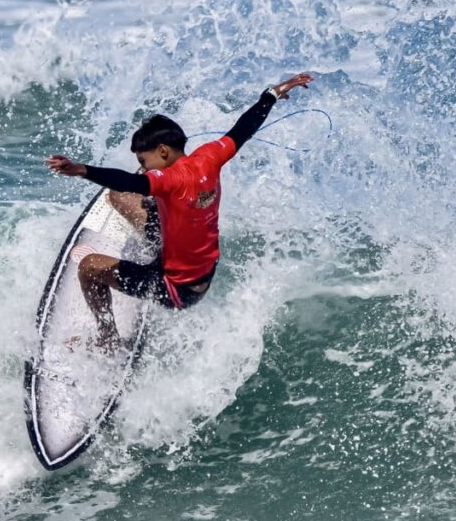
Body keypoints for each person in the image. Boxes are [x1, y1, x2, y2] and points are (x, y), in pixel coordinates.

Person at [46, 72, 314, 351]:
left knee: (89, 267)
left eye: (143, 160)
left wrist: (82, 170)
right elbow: (243, 129)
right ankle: (156, 249)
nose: (144, 167)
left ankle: (108, 338)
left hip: (176, 290)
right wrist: (271, 94)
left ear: (163, 151)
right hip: (204, 272)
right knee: (118, 198)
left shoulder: (168, 180)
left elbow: (130, 181)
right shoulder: (210, 156)